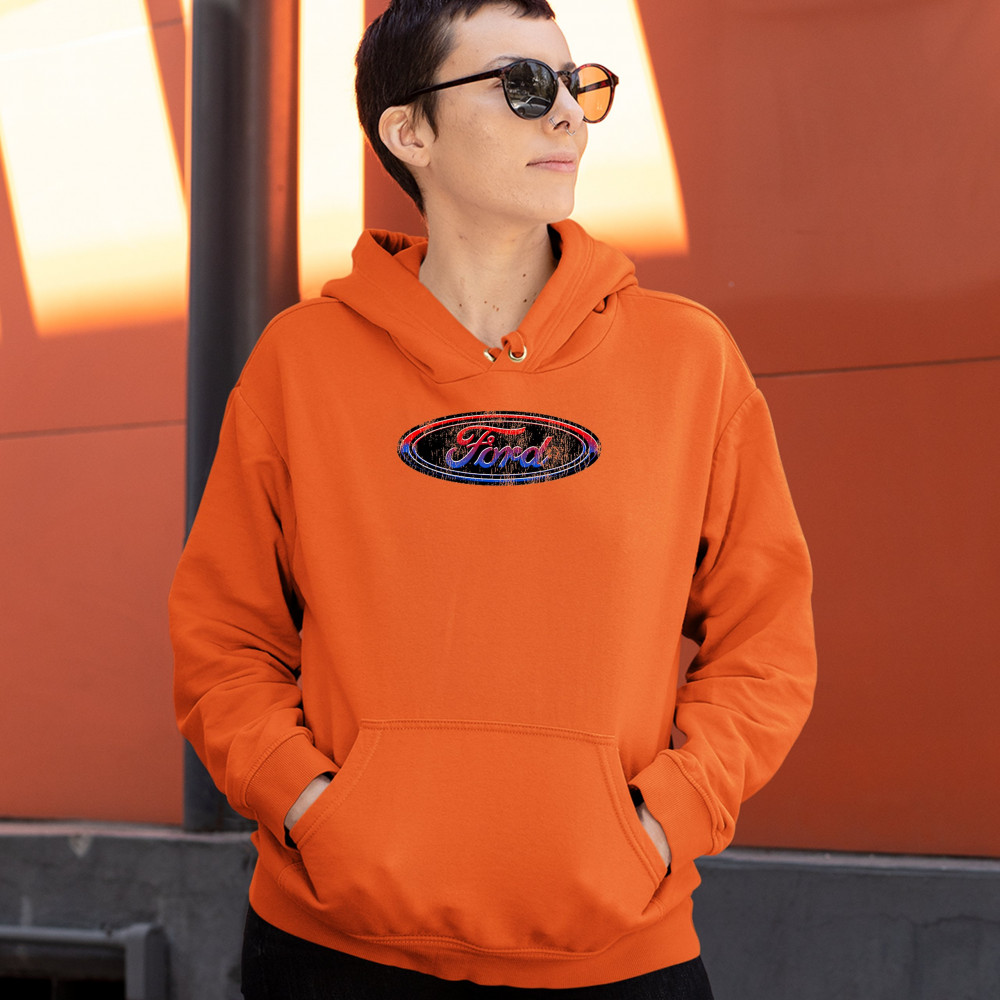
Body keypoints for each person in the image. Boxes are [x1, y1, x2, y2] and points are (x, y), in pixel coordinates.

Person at [169, 1, 817, 996]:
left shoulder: (688, 360)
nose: (565, 115)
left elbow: (766, 644)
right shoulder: (301, 363)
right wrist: (311, 807)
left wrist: (663, 821)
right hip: (333, 948)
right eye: (521, 85)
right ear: (409, 130)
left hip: (614, 954)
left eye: (575, 84)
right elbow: (223, 640)